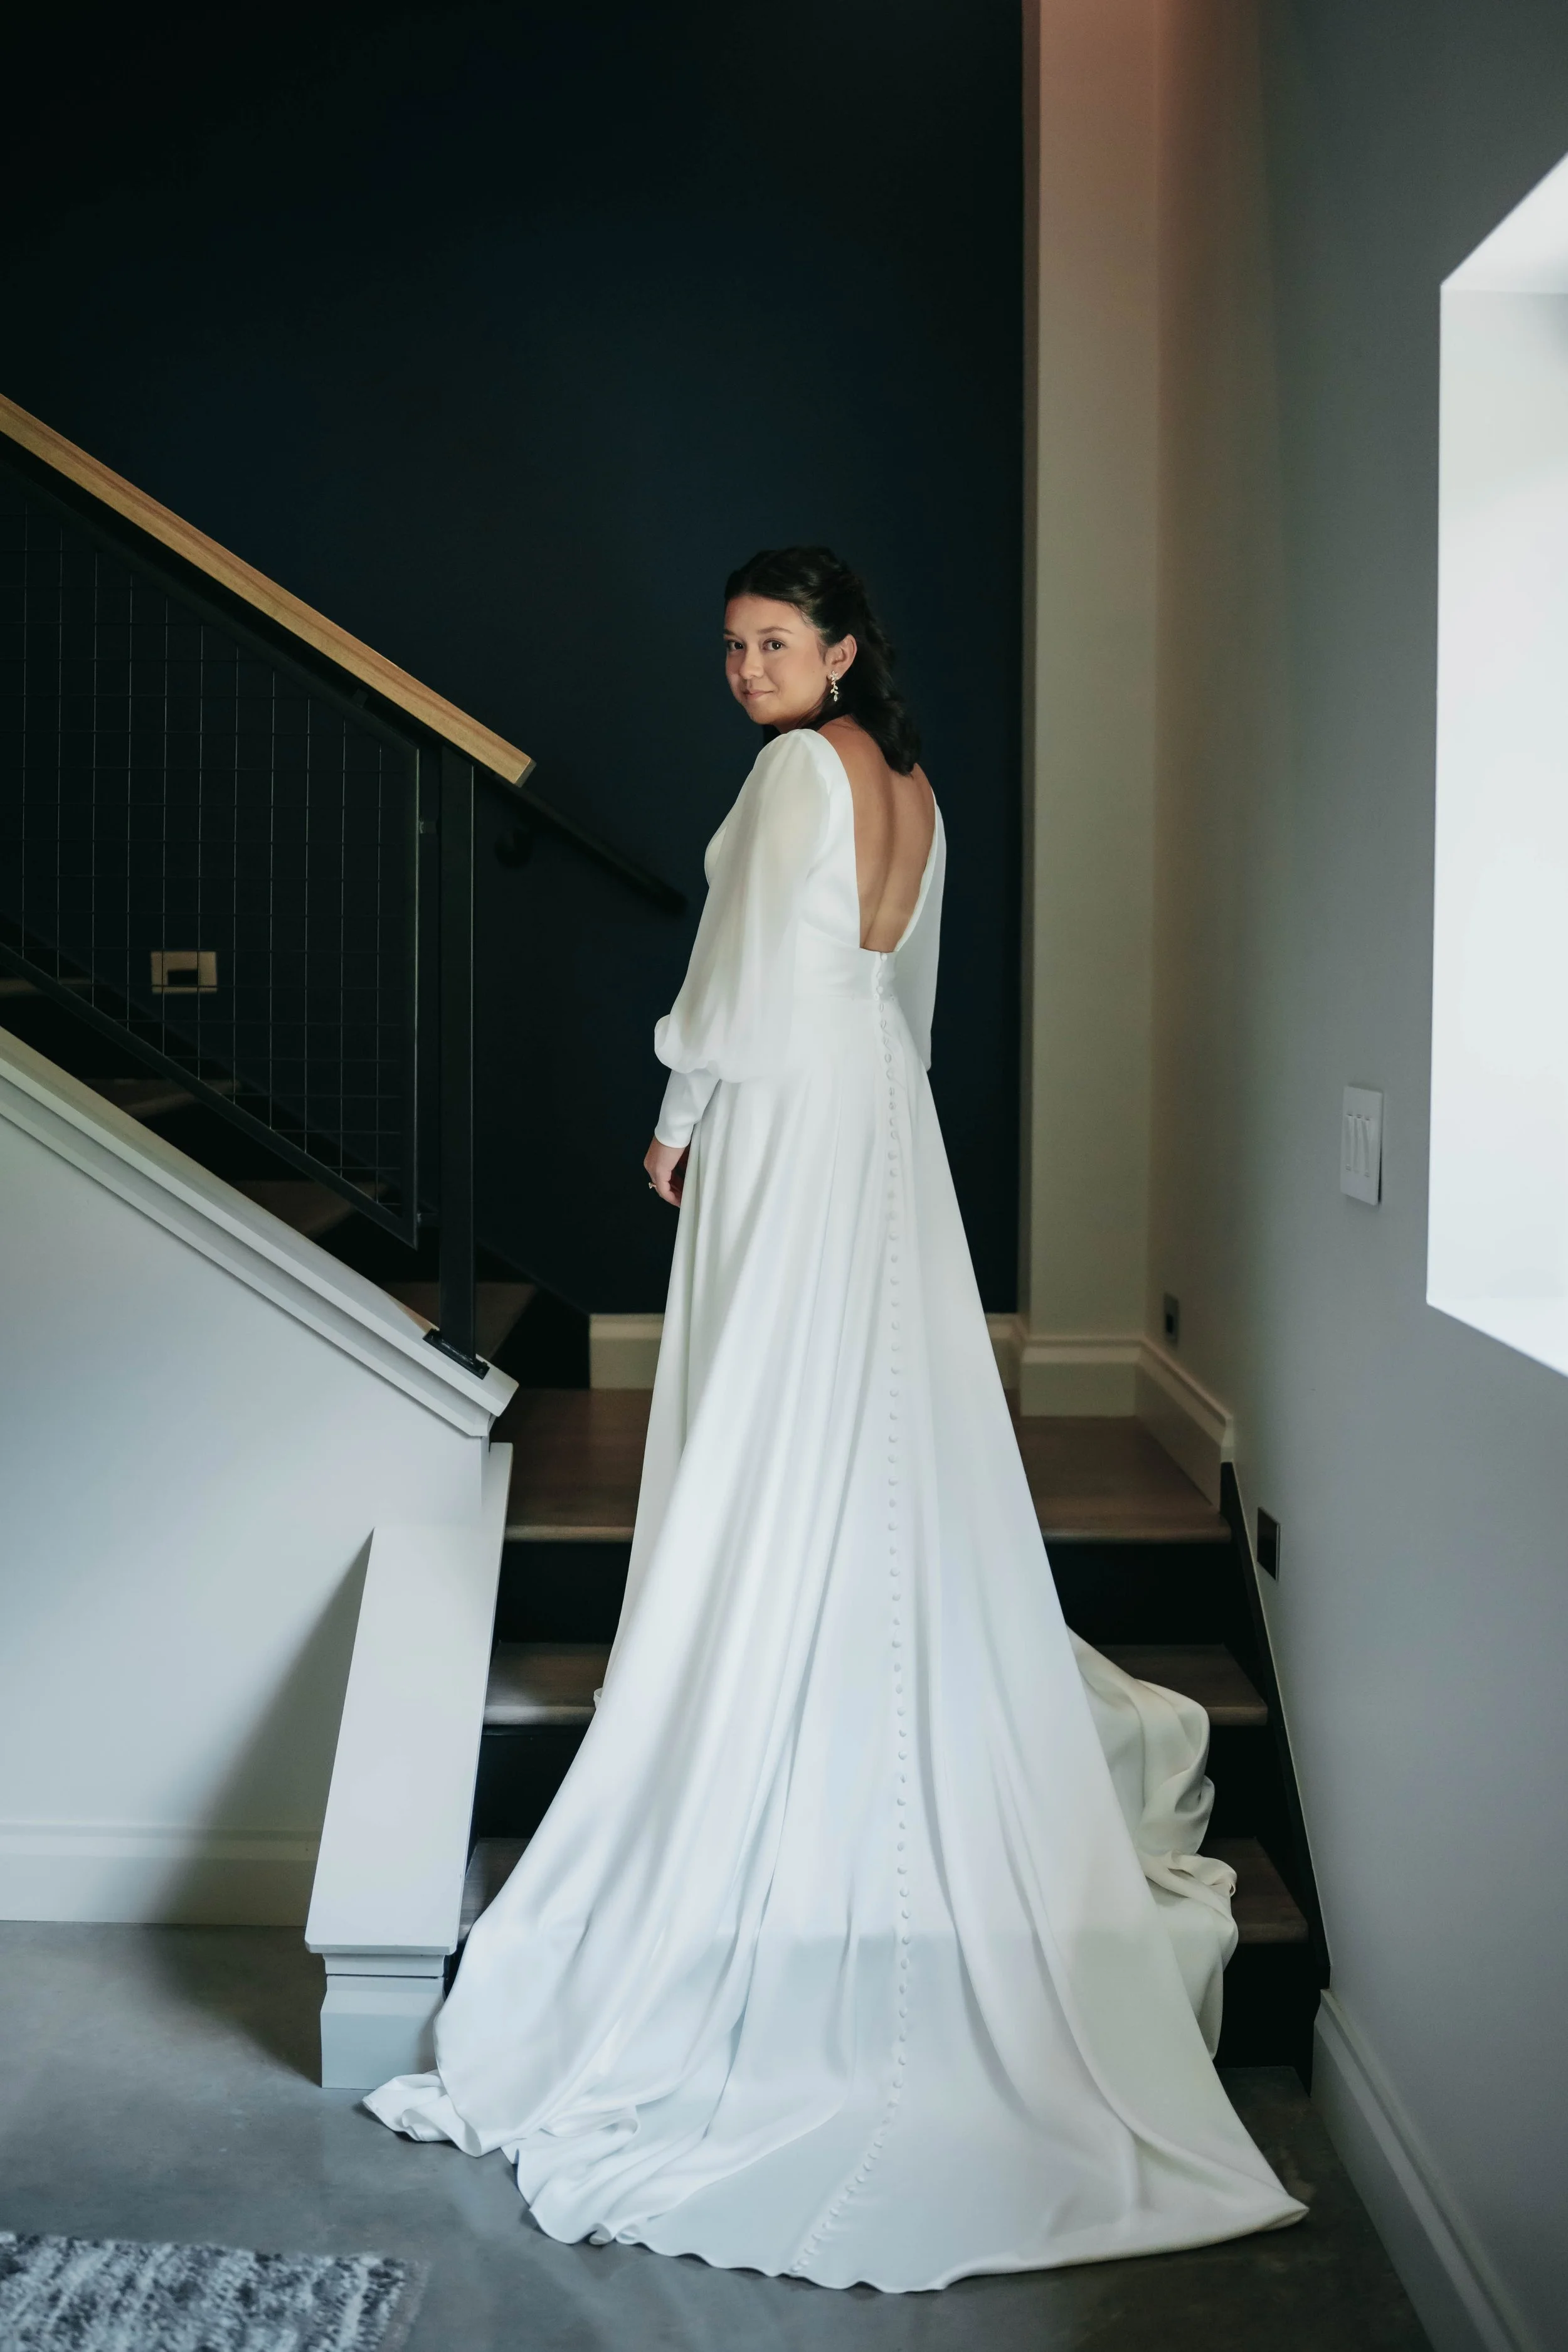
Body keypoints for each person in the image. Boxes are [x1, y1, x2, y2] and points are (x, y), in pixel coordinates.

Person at [365, 546, 1305, 2289]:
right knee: (864, 1411)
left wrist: (676, 1114)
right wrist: (843, 1104)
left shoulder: (797, 768)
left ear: (839, 649)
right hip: (873, 1111)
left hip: (790, 1113)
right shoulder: (913, 782)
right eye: (729, 646)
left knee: (767, 1409)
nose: (744, 669)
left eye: (772, 642)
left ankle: (762, 1651)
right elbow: (901, 997)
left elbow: (729, 981)